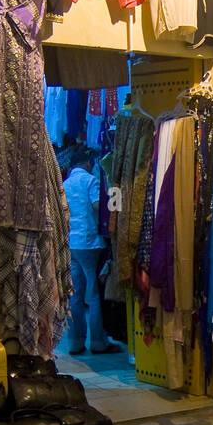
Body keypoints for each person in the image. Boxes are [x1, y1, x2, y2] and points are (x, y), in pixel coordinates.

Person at [62, 143, 120, 355]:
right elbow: (97, 205)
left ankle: (76, 342)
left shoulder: (66, 184)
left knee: (75, 294)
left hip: (72, 242)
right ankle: (98, 342)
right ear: (86, 163)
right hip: (89, 243)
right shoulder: (90, 180)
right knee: (94, 293)